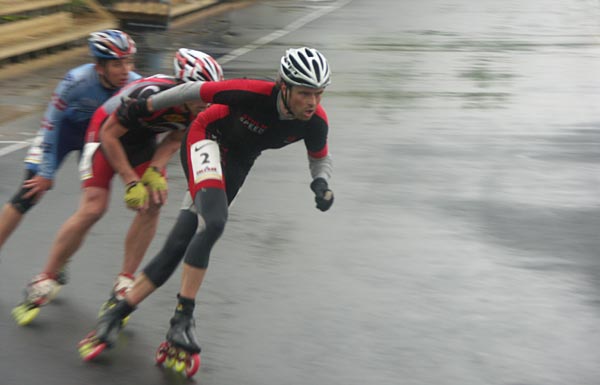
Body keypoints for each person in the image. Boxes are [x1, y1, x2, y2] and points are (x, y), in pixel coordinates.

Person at [78, 47, 335, 378]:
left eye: (318, 93)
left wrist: (321, 183)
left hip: (240, 160)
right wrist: (144, 105)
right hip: (205, 138)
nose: (312, 102)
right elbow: (190, 91)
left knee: (180, 242)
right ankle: (182, 318)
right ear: (283, 86)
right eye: (304, 93)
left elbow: (319, 157)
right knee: (214, 223)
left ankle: (117, 311)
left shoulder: (315, 121)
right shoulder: (252, 92)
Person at [12, 49, 225, 327]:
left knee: (154, 201)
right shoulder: (152, 95)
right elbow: (109, 135)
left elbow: (175, 137)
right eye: (199, 96)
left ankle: (124, 281)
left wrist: (155, 169)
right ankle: (46, 276)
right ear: (182, 88)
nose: (205, 104)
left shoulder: (200, 105)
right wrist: (130, 180)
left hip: (140, 140)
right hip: (105, 133)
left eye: (209, 95)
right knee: (94, 207)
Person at [0, 30, 140, 264]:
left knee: (92, 209)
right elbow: (50, 122)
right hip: (62, 134)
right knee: (28, 193)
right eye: (117, 64)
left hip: (94, 141)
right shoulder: (76, 80)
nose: (125, 70)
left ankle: (60, 259)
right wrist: (45, 172)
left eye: (128, 61)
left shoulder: (135, 84)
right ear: (99, 67)